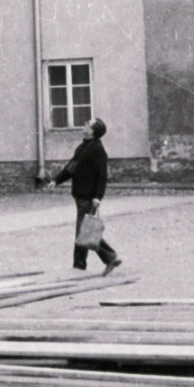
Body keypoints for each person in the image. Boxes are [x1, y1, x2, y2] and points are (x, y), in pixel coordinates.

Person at [50, 117, 122, 274]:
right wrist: (56, 181)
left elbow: (102, 175)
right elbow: (71, 167)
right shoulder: (82, 147)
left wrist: (98, 196)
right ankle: (106, 258)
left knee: (83, 232)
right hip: (80, 196)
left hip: (89, 197)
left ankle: (81, 266)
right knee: (85, 231)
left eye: (87, 124)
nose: (84, 125)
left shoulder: (97, 149)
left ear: (93, 131)